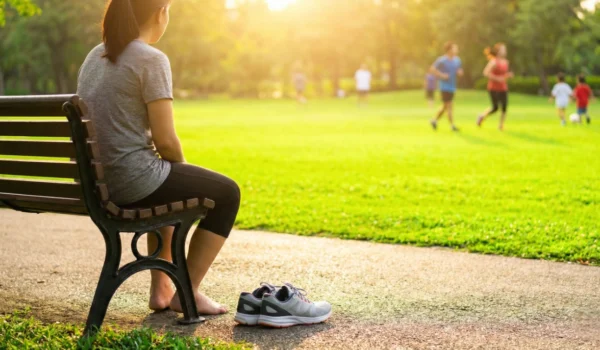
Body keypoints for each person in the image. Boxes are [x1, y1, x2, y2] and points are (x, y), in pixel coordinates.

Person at [77, 0, 240, 316]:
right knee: (227, 193)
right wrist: (181, 168)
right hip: (132, 181)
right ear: (161, 12)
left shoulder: (93, 57)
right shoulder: (150, 59)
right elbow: (166, 141)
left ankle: (161, 289)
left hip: (98, 184)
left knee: (170, 181)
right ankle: (186, 291)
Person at [477, 43, 514, 131]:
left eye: (505, 49)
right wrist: (497, 78)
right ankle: (482, 116)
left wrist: (508, 75)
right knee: (495, 108)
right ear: (498, 51)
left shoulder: (506, 62)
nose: (505, 51)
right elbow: (485, 72)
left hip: (503, 87)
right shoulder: (494, 61)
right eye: (503, 49)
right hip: (493, 87)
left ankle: (501, 125)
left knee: (504, 106)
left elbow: (503, 75)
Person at [429, 42, 464, 132]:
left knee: (445, 106)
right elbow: (432, 69)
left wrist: (459, 72)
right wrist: (442, 75)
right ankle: (452, 125)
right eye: (454, 48)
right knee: (449, 105)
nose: (456, 50)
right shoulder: (442, 60)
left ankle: (434, 120)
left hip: (452, 86)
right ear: (449, 50)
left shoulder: (457, 60)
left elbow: (458, 70)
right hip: (444, 86)